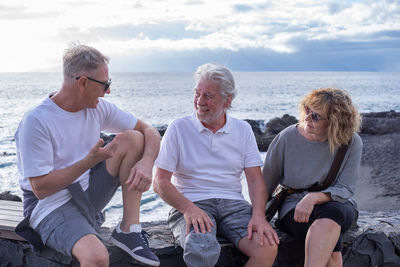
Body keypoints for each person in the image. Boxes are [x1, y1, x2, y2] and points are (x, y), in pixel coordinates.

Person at [14, 44, 161, 267]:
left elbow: (149, 131)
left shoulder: (98, 108)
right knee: (96, 257)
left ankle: (128, 230)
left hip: (87, 192)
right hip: (49, 206)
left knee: (134, 138)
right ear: (82, 82)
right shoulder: (36, 121)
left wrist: (146, 164)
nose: (108, 91)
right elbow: (41, 188)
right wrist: (88, 162)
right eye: (105, 84)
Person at [153, 63, 279, 267]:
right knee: (201, 248)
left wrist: (258, 216)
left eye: (208, 96)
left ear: (228, 99)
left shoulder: (243, 130)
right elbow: (160, 182)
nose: (199, 102)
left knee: (266, 246)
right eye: (197, 94)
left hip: (234, 205)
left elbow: (255, 180)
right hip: (192, 201)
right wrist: (188, 209)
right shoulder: (179, 128)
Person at [263, 88, 362, 267]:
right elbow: (265, 185)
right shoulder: (287, 137)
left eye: (316, 116)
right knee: (332, 250)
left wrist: (314, 197)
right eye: (307, 110)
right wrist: (257, 218)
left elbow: (346, 188)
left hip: (338, 205)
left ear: (334, 122)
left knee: (332, 210)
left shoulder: (351, 142)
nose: (307, 118)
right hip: (294, 208)